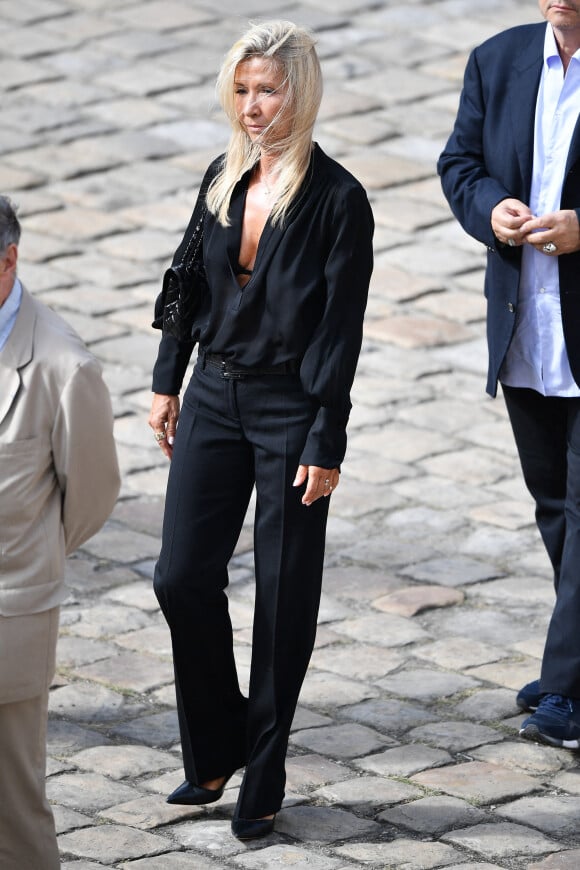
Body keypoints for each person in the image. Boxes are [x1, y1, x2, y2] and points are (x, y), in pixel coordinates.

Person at [149, 20, 373, 840]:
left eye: (267, 90)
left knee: (283, 602)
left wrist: (327, 440)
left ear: (300, 94)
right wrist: (167, 380)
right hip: (213, 394)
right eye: (242, 90)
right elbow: (186, 281)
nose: (251, 106)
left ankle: (264, 770)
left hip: (291, 408)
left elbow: (341, 333)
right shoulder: (222, 175)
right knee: (179, 577)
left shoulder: (341, 200)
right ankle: (217, 743)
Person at [438, 1, 580, 749]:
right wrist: (489, 208)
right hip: (526, 327)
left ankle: (567, 689)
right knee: (553, 503)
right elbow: (458, 163)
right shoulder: (498, 59)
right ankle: (576, 659)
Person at [0, 196, 120, 869]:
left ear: (8, 261)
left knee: (16, 814)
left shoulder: (64, 367)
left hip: (8, 619)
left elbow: (92, 497)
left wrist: (31, 555)